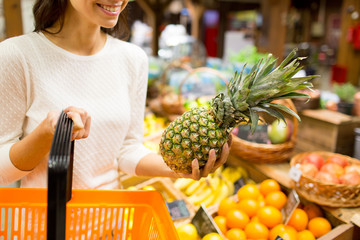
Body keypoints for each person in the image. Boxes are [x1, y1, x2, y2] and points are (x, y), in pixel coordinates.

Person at [0, 0, 229, 189]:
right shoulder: (17, 56)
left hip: (110, 222)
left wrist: (180, 169)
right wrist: (44, 136)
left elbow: (127, 149)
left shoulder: (133, 59)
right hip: (43, 224)